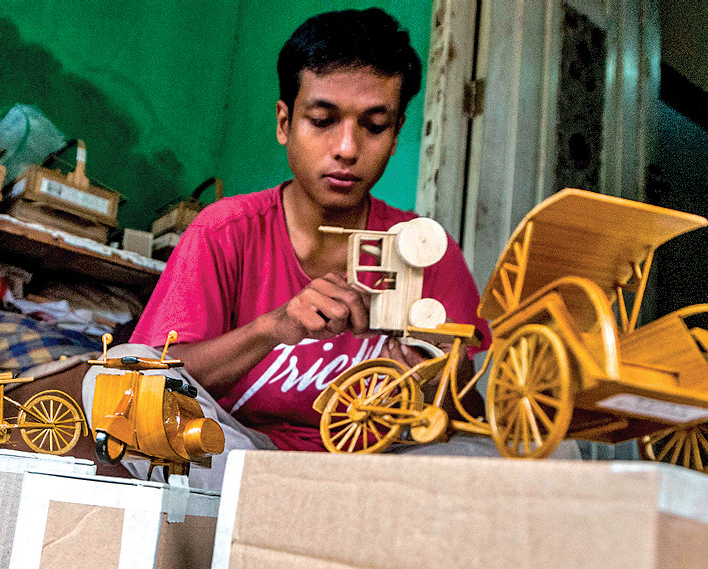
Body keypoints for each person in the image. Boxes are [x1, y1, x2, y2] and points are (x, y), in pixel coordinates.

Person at [83, 8, 573, 490]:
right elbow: (149, 375)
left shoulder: (427, 250)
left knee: (555, 454)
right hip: (244, 459)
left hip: (375, 473)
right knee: (117, 380)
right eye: (322, 120)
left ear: (398, 133)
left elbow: (464, 417)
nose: (346, 148)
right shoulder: (225, 229)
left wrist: (440, 379)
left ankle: (320, 520)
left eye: (374, 126)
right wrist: (270, 329)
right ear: (284, 122)